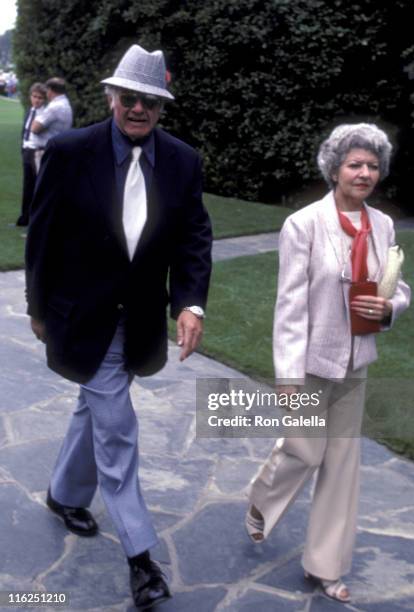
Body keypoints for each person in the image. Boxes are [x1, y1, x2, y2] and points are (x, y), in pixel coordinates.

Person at [25, 45, 212, 609]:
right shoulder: (69, 150)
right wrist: (38, 308)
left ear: (161, 106)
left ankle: (63, 493)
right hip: (82, 315)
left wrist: (190, 304)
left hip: (139, 323)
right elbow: (43, 235)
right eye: (129, 97)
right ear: (111, 97)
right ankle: (141, 558)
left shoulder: (182, 161)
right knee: (116, 429)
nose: (138, 109)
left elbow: (193, 238)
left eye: (150, 101)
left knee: (94, 408)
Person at [245, 123, 411, 603]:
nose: (364, 173)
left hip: (356, 363)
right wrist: (289, 376)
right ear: (335, 168)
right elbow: (290, 305)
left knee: (341, 464)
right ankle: (262, 498)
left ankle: (326, 566)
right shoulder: (303, 224)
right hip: (312, 362)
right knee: (306, 451)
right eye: (355, 164)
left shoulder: (382, 226)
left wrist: (390, 308)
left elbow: (396, 286)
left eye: (372, 166)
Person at [16, 82, 47, 227]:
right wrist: (23, 147)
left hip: (38, 151)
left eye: (40, 98)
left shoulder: (45, 114)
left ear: (44, 99)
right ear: (30, 97)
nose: (36, 100)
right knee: (27, 186)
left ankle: (36, 219)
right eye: (34, 96)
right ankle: (24, 218)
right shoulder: (30, 111)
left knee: (37, 186)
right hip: (27, 150)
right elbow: (25, 129)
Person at [30, 76, 73, 143]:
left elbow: (34, 128)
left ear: (49, 90)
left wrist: (38, 115)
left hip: (47, 149)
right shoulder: (65, 103)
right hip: (59, 146)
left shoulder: (54, 107)